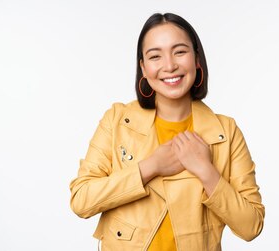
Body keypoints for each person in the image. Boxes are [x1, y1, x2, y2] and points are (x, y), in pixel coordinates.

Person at [69, 13, 264, 251]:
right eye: (155, 56)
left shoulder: (225, 131)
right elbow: (81, 200)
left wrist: (206, 171)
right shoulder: (117, 120)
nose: (169, 65)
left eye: (180, 51)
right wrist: (150, 167)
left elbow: (251, 225)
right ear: (143, 67)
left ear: (197, 59)